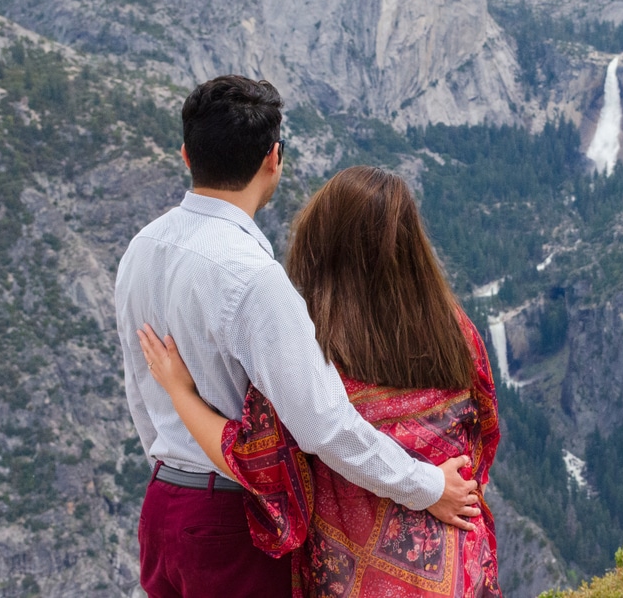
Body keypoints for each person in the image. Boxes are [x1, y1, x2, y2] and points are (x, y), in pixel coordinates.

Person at [115, 76, 479, 597]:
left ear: (185, 154)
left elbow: (139, 390)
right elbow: (322, 425)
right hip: (232, 520)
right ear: (273, 158)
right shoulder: (252, 276)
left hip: (163, 506)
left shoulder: (141, 249)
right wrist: (428, 488)